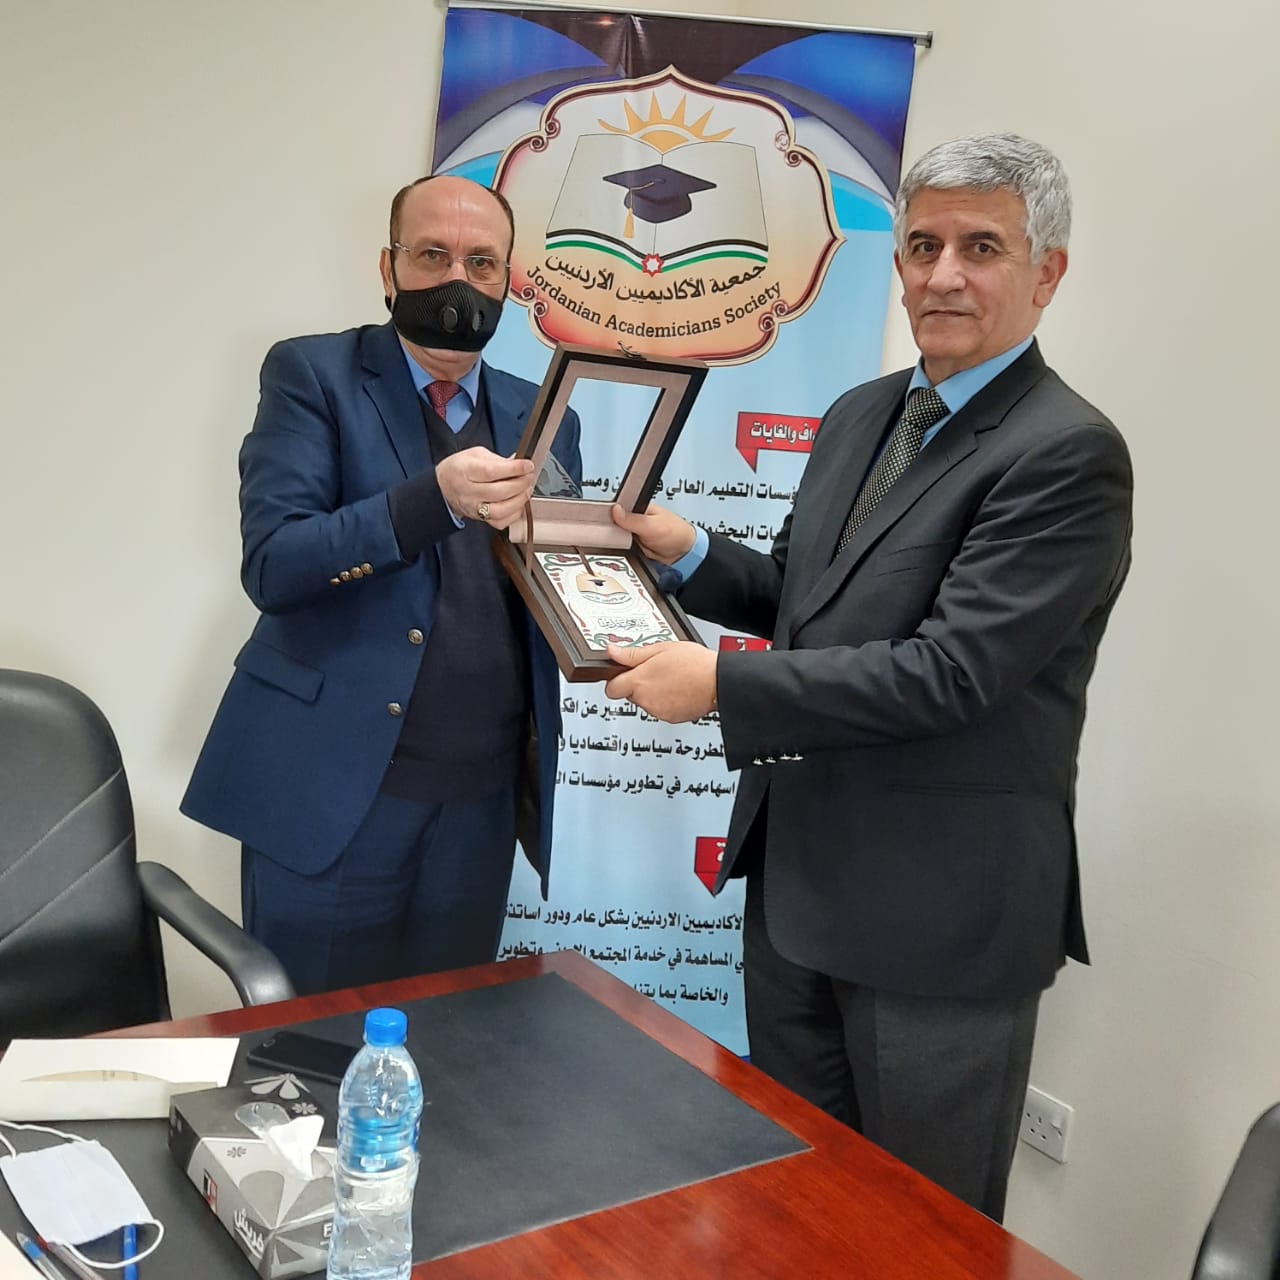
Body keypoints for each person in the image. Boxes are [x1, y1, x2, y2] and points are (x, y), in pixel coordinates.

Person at [604, 134, 1132, 1221]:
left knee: (922, 1233)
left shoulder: (1066, 451)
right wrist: (686, 551)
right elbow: (806, 602)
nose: (943, 275)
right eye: (922, 246)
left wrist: (721, 688)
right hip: (797, 893)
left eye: (980, 247)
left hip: (938, 928)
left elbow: (949, 673)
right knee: (798, 1209)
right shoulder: (860, 413)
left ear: (1046, 273)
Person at [182, 175, 582, 996]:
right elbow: (275, 562)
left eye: (481, 262)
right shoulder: (312, 374)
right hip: (335, 795)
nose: (457, 281)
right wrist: (432, 500)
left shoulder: (544, 413)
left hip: (479, 808)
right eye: (433, 255)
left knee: (443, 1047)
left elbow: (554, 575)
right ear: (388, 268)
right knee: (311, 1047)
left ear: (509, 280)